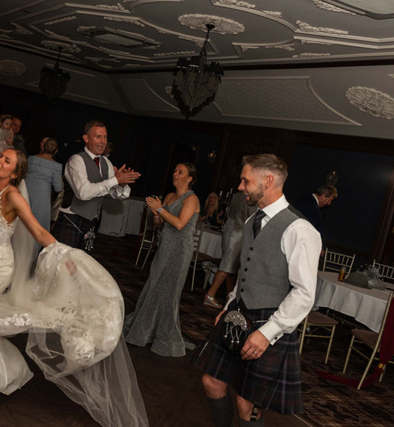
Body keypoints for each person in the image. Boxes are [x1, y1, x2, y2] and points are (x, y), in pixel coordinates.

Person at [0, 114, 148, 427]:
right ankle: (4, 368)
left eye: (6, 160)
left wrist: (62, 254)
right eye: (0, 156)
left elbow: (38, 231)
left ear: (15, 173)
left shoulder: (12, 197)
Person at [193, 154, 321, 427]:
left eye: (245, 181)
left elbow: (304, 293)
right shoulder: (253, 218)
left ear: (269, 181)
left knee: (245, 402)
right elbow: (244, 272)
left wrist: (267, 333)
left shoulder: (300, 229)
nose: (240, 187)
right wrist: (228, 307)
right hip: (238, 315)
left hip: (269, 323)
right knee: (212, 382)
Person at [124, 163, 200, 357]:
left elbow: (180, 224)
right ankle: (147, 329)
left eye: (180, 172)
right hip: (165, 246)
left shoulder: (191, 199)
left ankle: (165, 334)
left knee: (170, 291)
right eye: (174, 170)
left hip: (180, 250)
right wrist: (155, 212)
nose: (175, 174)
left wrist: (161, 210)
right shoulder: (169, 196)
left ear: (189, 178)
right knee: (154, 285)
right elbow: (160, 224)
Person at [51, 120, 140, 249]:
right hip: (71, 219)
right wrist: (115, 180)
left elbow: (114, 194)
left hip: (91, 223)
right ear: (86, 138)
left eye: (105, 137)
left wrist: (121, 183)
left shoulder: (106, 163)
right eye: (98, 137)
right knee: (60, 263)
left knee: (82, 266)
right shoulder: (76, 160)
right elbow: (83, 192)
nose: (103, 141)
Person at [203, 192, 256, 309]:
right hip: (239, 232)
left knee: (231, 266)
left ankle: (229, 295)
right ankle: (210, 295)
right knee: (227, 266)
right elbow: (253, 219)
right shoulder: (252, 198)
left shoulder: (237, 195)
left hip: (228, 229)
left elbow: (228, 211)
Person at [26, 138, 64, 234]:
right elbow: (58, 187)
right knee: (37, 227)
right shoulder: (56, 167)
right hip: (42, 200)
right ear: (56, 151)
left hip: (25, 194)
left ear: (43, 147)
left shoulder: (30, 159)